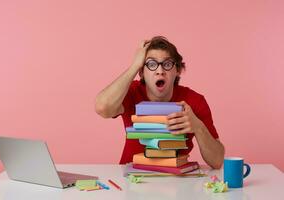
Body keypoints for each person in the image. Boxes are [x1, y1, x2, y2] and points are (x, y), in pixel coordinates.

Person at [95, 36, 225, 169]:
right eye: (151, 65)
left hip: (177, 182)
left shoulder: (194, 101)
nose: (160, 71)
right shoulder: (130, 92)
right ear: (142, 72)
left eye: (167, 64)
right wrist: (134, 66)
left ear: (178, 70)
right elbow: (102, 107)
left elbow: (217, 161)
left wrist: (198, 126)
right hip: (132, 177)